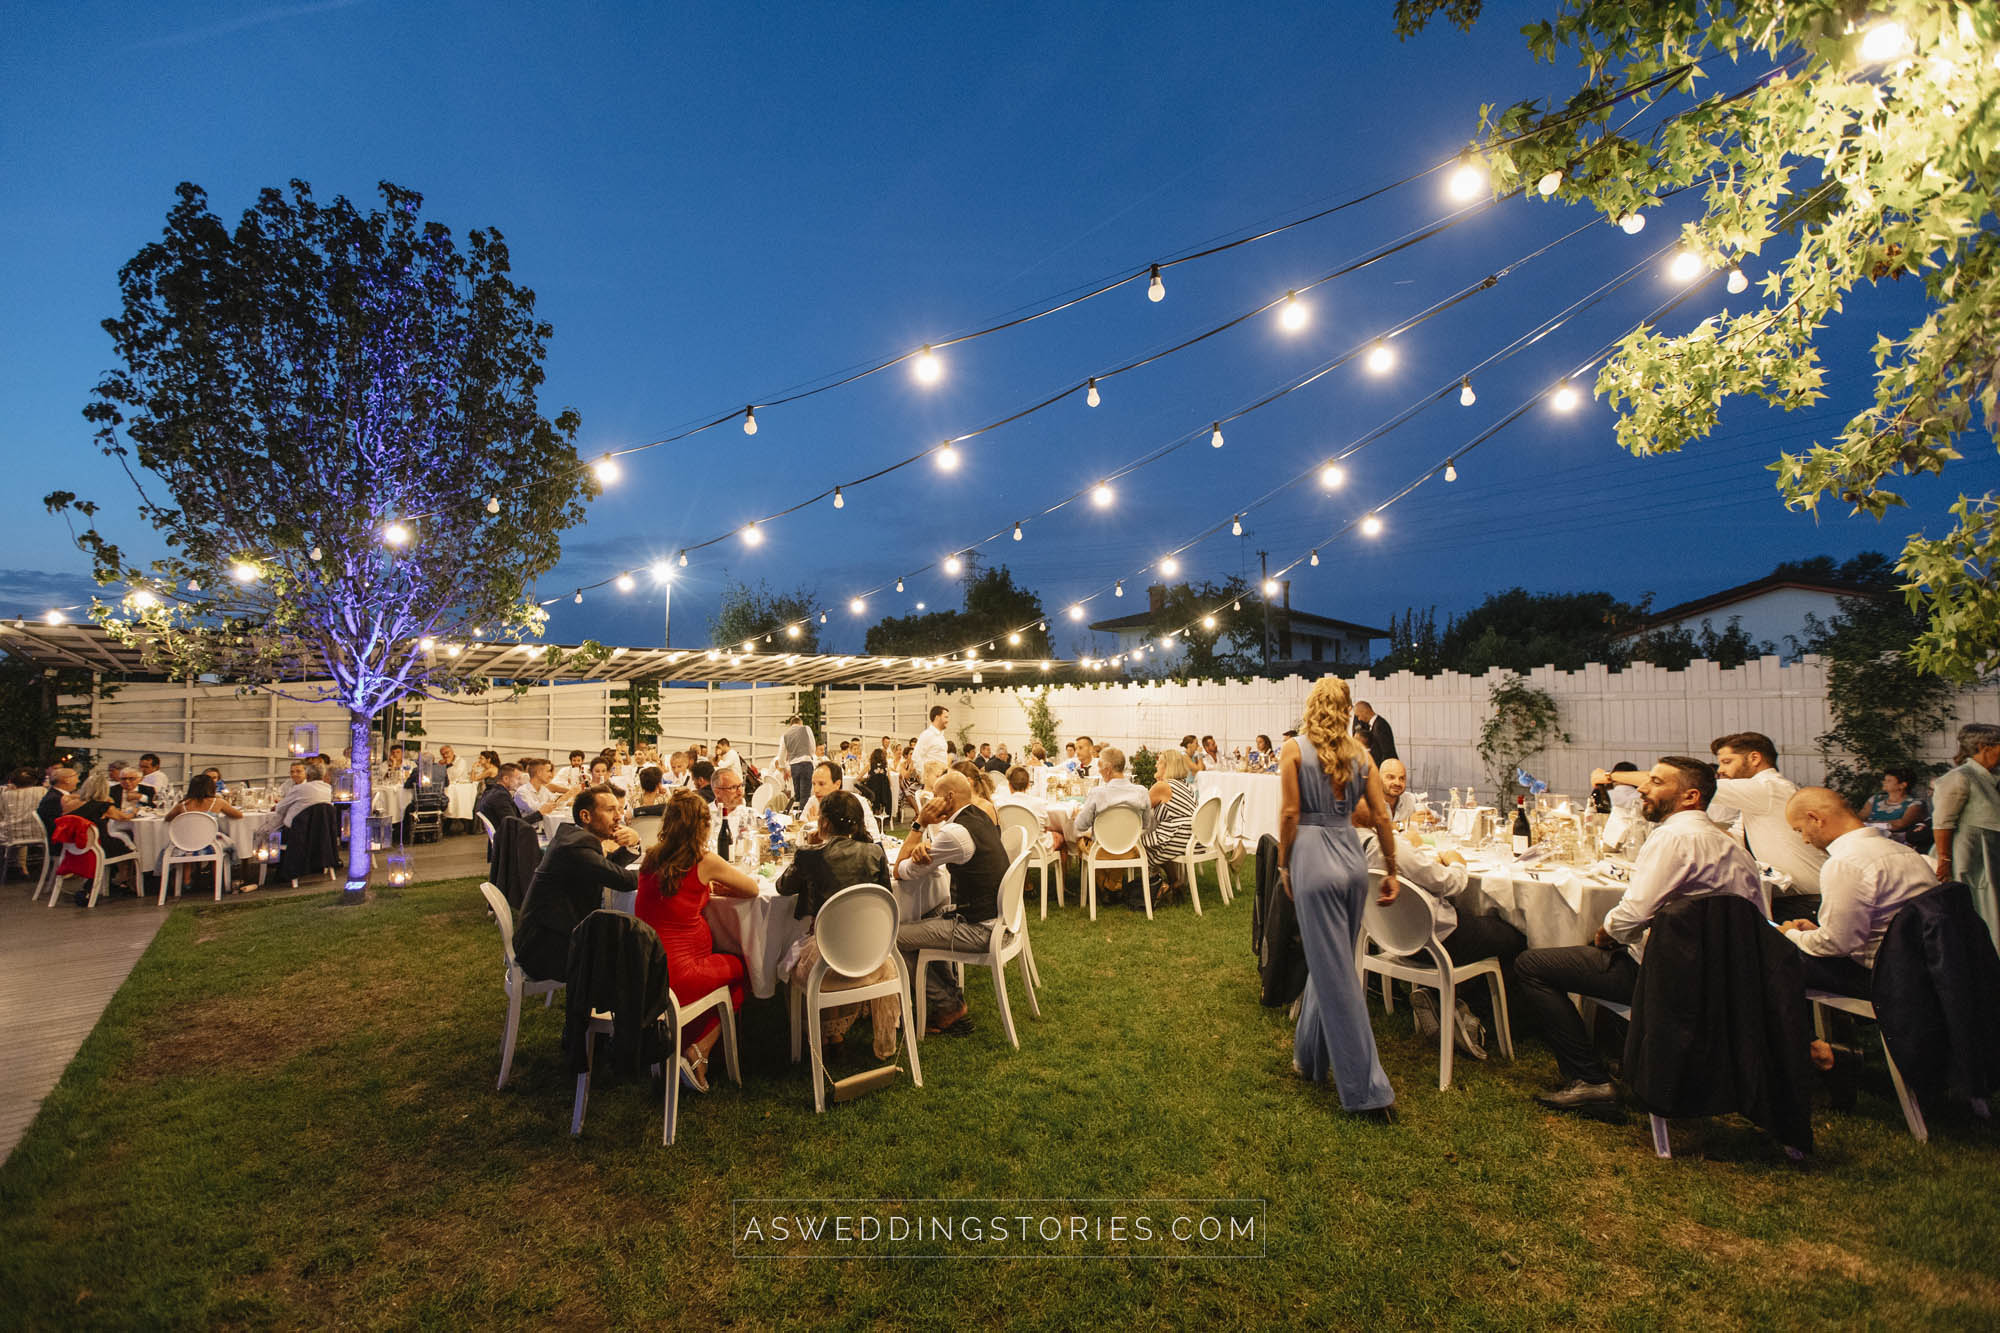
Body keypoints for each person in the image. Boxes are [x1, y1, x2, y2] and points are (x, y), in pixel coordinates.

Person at [1515, 756, 1763, 1113]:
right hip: (1724, 982)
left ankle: (1590, 1080)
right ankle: (1623, 1053)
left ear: (1690, 796)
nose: (1642, 788)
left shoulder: (1673, 838)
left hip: (1667, 979)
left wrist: (1605, 934)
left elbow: (1630, 918)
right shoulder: (1732, 847)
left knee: (1532, 964)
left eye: (1657, 782)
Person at [1281, 675, 1398, 1118]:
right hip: (1351, 863)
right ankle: (1308, 1058)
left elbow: (1291, 812)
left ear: (1312, 706)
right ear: (1348, 709)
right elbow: (1381, 818)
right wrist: (1392, 869)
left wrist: (1283, 864)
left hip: (1312, 857)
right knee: (1331, 962)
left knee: (1338, 975)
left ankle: (1369, 1091)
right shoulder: (1361, 754)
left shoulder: (1293, 749)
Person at [633, 790, 758, 1092]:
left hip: (646, 968)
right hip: (681, 973)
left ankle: (684, 1042)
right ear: (703, 825)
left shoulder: (651, 857)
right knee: (743, 970)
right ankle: (697, 1051)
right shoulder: (704, 860)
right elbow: (752, 888)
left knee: (726, 973)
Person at [775, 790, 901, 1060]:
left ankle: (817, 1035)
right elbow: (885, 898)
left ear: (824, 823)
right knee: (830, 944)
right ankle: (835, 1034)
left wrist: (809, 848)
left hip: (826, 960)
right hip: (871, 954)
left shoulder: (811, 856)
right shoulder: (875, 853)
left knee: (789, 961)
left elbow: (783, 887)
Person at [1781, 787, 1939, 998]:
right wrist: (1816, 932)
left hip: (1886, 977)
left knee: (1777, 956)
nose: (1805, 840)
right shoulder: (1906, 852)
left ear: (1815, 819)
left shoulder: (1845, 862)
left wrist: (1792, 934)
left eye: (1800, 830)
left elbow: (1835, 945)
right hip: (1926, 967)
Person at [894, 773, 1010, 1035]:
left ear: (948, 797)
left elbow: (899, 871)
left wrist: (919, 824)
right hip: (996, 918)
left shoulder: (955, 834)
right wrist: (925, 846)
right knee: (930, 912)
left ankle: (947, 1005)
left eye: (935, 795)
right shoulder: (980, 816)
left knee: (894, 938)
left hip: (980, 929)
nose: (930, 800)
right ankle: (950, 997)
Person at [515, 786, 642, 987]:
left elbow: (609, 870)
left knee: (625, 941)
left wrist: (632, 845)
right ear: (586, 816)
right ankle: (611, 1011)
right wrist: (662, 871)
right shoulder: (575, 847)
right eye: (610, 810)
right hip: (545, 949)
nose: (619, 817)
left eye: (619, 809)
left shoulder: (572, 837)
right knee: (631, 951)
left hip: (550, 933)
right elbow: (624, 881)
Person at [1932, 722, 2000, 936]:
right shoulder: (1960, 777)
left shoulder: (1990, 777)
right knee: (1975, 902)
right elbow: (1943, 821)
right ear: (1984, 747)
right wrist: (1945, 860)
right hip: (1967, 852)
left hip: (1989, 848)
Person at [1074, 746, 1151, 908]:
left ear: (1108, 769)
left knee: (1080, 840)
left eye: (1100, 766)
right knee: (1119, 840)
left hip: (1102, 851)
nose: (1099, 770)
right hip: (1131, 850)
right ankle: (1113, 886)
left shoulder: (1098, 793)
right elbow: (1146, 824)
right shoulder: (1142, 792)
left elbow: (1080, 825)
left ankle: (1106, 887)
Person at [66, 769, 142, 899]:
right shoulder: (103, 806)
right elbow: (124, 817)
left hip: (75, 845)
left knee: (121, 840)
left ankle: (114, 880)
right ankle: (126, 880)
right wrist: (135, 811)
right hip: (99, 845)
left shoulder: (71, 804)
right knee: (131, 846)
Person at [1144, 748, 1200, 894]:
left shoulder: (1163, 786)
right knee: (1153, 838)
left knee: (1137, 845)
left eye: (1159, 762)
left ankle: (1153, 884)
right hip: (1193, 838)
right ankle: (1174, 882)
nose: (1156, 765)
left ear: (1168, 766)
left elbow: (1140, 808)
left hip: (1176, 837)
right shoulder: (1185, 785)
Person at [801, 759, 881, 840]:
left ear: (837, 784)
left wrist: (817, 826)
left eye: (821, 784)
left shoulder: (856, 802)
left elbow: (874, 836)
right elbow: (799, 830)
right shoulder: (813, 801)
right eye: (814, 784)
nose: (816, 790)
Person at [1860, 768, 1929, 841]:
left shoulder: (1916, 804)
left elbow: (1900, 824)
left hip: (1897, 842)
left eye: (1888, 781)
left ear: (1902, 785)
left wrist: (1869, 824)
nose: (1883, 782)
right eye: (1884, 780)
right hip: (1870, 838)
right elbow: (1860, 818)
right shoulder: (1875, 799)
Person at [476, 763, 539, 833]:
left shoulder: (493, 791)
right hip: (507, 839)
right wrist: (540, 814)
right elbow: (513, 825)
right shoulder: (500, 796)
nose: (520, 782)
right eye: (518, 778)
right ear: (506, 779)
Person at [272, 763, 333, 828]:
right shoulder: (329, 789)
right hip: (321, 828)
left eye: (298, 771)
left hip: (297, 829)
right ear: (324, 776)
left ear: (307, 774)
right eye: (292, 772)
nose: (294, 774)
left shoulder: (300, 788)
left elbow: (279, 808)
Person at [708, 766, 753, 854]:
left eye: (740, 786)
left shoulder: (750, 814)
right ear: (717, 792)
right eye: (733, 787)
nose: (740, 792)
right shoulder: (704, 815)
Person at [166, 772, 243, 822]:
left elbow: (167, 819)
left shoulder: (182, 805)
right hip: (210, 842)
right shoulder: (218, 802)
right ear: (211, 787)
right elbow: (239, 815)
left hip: (185, 844)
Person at [2, 767, 48, 849]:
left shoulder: (5, 794)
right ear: (35, 781)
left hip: (10, 837)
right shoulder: (42, 791)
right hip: (37, 835)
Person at [779, 713, 816, 811]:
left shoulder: (785, 735)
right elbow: (813, 747)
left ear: (791, 725)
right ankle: (802, 820)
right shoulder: (806, 728)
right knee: (805, 795)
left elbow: (781, 755)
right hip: (806, 763)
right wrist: (809, 754)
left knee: (798, 795)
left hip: (794, 766)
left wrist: (785, 769)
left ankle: (797, 816)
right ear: (800, 723)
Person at [37, 766, 77, 837]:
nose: (78, 780)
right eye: (75, 777)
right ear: (66, 780)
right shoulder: (54, 799)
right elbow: (57, 825)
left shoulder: (56, 795)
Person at [912, 705, 952, 776]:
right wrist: (925, 776)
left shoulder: (941, 736)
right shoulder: (927, 735)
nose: (947, 720)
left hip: (941, 777)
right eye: (945, 717)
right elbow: (916, 757)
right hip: (932, 779)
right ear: (937, 718)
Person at [1379, 758, 1417, 823]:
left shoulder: (1410, 799)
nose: (1397, 783)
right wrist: (1406, 823)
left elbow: (1437, 818)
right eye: (1391, 777)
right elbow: (1369, 831)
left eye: (1402, 778)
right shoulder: (1366, 804)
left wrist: (1429, 819)